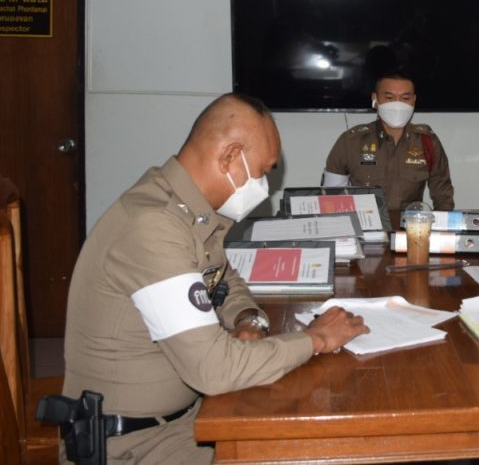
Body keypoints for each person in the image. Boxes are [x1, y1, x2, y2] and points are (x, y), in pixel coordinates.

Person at [62, 93, 369, 463]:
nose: (263, 187)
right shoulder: (153, 226)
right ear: (229, 157)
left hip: (185, 417)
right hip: (132, 444)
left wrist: (248, 319)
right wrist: (316, 339)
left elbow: (225, 280)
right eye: (262, 172)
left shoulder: (187, 208)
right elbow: (214, 369)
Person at [322, 70, 454, 211]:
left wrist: (443, 223)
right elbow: (331, 196)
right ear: (375, 99)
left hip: (409, 223)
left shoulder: (427, 141)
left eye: (405, 98)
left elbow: (443, 197)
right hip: (366, 223)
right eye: (390, 97)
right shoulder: (350, 141)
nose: (398, 104)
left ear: (413, 100)